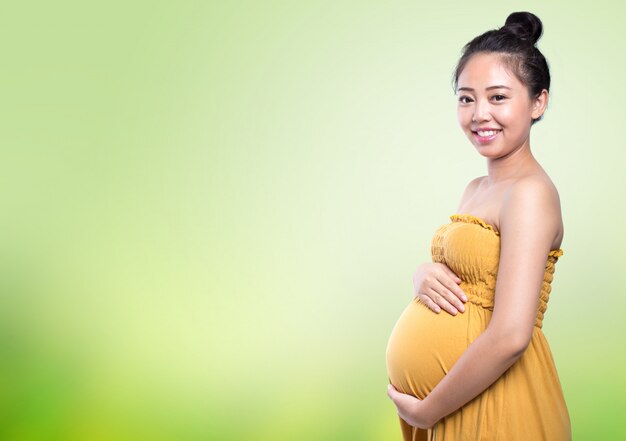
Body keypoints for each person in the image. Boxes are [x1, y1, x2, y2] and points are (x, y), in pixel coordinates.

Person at [385, 11, 572, 440]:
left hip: (497, 405)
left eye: (498, 97)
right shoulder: (476, 188)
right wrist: (422, 275)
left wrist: (428, 411)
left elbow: (510, 335)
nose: (479, 114)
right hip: (457, 400)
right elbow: (468, 278)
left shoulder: (530, 193)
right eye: (466, 98)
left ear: (538, 102)